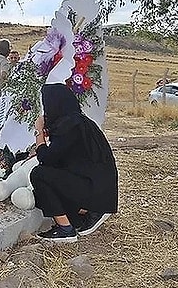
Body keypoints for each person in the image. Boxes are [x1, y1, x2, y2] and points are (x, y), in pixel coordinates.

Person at [31, 83, 118, 243]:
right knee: (42, 191)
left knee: (38, 175)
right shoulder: (78, 122)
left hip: (94, 190)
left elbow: (46, 159)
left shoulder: (69, 126)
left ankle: (65, 229)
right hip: (98, 187)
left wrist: (38, 132)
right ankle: (81, 214)